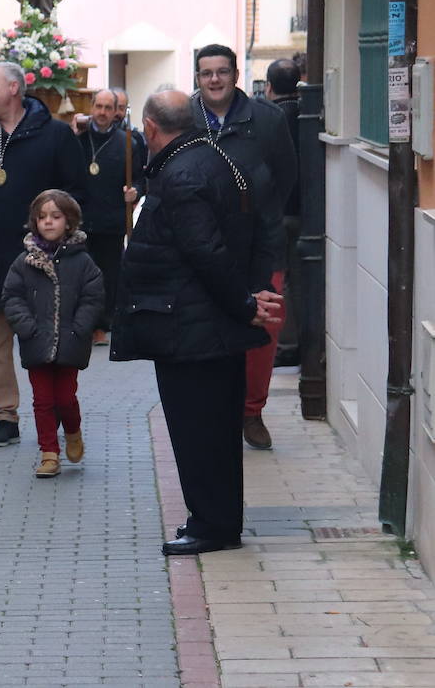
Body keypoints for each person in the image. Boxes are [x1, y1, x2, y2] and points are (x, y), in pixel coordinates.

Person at [112, 89, 281, 555]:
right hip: (206, 322)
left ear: (149, 127)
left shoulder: (182, 173)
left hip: (190, 325)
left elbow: (204, 251)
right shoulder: (211, 157)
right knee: (215, 430)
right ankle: (216, 520)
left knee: (198, 432)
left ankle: (212, 526)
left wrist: (245, 303)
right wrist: (247, 295)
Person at [0, 61, 85, 448]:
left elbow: (75, 192)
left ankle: (53, 405)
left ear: (14, 88)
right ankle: (5, 415)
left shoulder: (55, 135)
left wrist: (55, 234)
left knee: (48, 339)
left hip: (46, 260)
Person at [192, 44, 296, 450]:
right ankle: (213, 413)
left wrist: (259, 215)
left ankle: (252, 412)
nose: (214, 79)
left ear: (236, 75)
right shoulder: (186, 119)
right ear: (198, 79)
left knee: (263, 331)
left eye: (221, 72)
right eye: (206, 73)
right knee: (205, 330)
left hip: (261, 245)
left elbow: (286, 177)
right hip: (204, 245)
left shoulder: (267, 121)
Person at [2, 189, 103, 479]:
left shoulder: (83, 262)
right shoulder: (24, 262)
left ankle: (72, 432)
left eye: (55, 217)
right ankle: (49, 453)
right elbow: (11, 296)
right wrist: (26, 327)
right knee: (43, 401)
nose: (48, 222)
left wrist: (80, 328)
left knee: (66, 399)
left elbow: (93, 297)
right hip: (36, 342)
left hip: (70, 343)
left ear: (69, 222)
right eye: (42, 217)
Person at [71, 89, 145, 344]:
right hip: (79, 218)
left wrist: (135, 190)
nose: (102, 112)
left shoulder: (127, 142)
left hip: (111, 221)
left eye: (107, 108)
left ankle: (102, 324)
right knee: (79, 274)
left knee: (107, 276)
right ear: (91, 107)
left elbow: (140, 177)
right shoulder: (77, 139)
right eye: (98, 106)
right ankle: (80, 323)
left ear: (116, 112)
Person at [265, 58, 303, 368]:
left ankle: (287, 344)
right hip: (306, 209)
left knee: (282, 279)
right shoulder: (306, 113)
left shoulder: (272, 119)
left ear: (268, 87)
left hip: (280, 211)